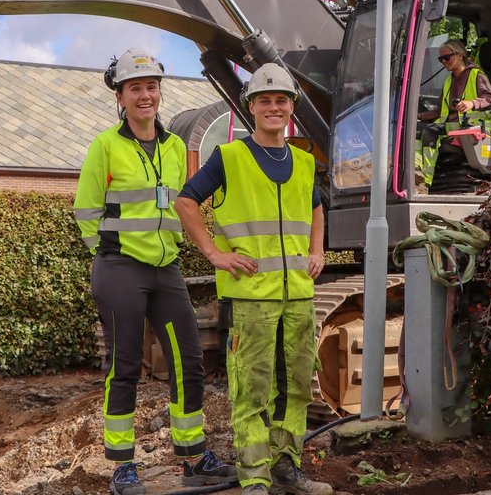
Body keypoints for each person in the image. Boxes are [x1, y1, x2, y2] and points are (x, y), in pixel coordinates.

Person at [73, 48, 236, 495]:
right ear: (120, 97)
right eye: (135, 88)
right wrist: (105, 254)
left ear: (159, 93)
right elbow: (85, 210)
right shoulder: (105, 146)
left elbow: (179, 204)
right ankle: (122, 467)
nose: (145, 96)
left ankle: (193, 456)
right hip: (120, 268)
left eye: (151, 87)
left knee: (189, 362)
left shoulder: (175, 145)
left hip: (167, 267)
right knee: (123, 367)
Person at [175, 63, 331, 495]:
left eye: (281, 100)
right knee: (252, 388)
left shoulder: (303, 161)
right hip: (251, 298)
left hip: (297, 295)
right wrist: (213, 253)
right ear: (251, 107)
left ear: (292, 108)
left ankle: (287, 468)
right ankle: (255, 477)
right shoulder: (229, 157)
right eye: (264, 100)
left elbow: (316, 209)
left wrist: (317, 250)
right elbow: (187, 202)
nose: (273, 107)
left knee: (297, 384)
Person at [418, 39, 491, 192]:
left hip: (472, 126)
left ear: (460, 55)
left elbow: (490, 99)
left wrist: (471, 103)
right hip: (452, 126)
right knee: (415, 129)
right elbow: (439, 111)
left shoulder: (476, 75)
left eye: (446, 57)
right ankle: (415, 171)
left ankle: (425, 181)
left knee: (430, 132)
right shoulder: (448, 81)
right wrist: (419, 116)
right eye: (440, 59)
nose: (443, 62)